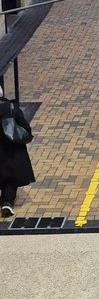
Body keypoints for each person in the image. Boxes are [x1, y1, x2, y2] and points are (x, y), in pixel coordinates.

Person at [0, 82, 35, 217]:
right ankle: (7, 203)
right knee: (10, 180)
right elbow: (24, 127)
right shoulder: (11, 107)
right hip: (11, 151)